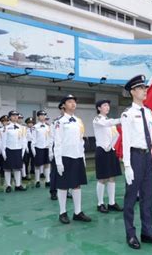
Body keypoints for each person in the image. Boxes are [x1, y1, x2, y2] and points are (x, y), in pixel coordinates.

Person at [121, 74, 152, 249]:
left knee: (148, 196)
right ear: (133, 91)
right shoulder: (128, 114)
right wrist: (127, 165)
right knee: (131, 198)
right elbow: (126, 141)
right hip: (134, 157)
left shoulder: (148, 112)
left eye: (145, 87)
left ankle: (147, 231)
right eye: (141, 88)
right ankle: (130, 233)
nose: (145, 90)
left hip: (147, 157)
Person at [54, 94, 91, 224]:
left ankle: (77, 212)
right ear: (63, 105)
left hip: (77, 156)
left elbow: (80, 140)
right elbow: (57, 142)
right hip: (65, 156)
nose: (73, 104)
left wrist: (83, 158)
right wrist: (58, 162)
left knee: (77, 185)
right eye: (69, 102)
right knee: (63, 186)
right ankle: (62, 212)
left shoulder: (78, 120)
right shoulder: (59, 121)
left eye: (74, 101)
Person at [92, 99, 123, 213]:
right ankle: (100, 203)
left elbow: (116, 134)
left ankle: (111, 202)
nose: (107, 107)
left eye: (108, 105)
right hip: (102, 150)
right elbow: (107, 124)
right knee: (102, 178)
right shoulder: (97, 119)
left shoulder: (110, 121)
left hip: (111, 150)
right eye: (104, 105)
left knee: (112, 177)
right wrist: (121, 119)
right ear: (99, 108)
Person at [0, 110, 27, 193]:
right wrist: (3, 151)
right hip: (9, 149)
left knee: (18, 168)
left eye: (16, 115)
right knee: (7, 169)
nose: (15, 117)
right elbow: (3, 140)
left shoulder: (22, 128)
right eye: (13, 115)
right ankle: (8, 185)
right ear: (10, 117)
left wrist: (23, 150)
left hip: (18, 149)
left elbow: (24, 139)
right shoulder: (6, 128)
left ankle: (18, 185)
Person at [32, 110, 53, 188]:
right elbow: (33, 139)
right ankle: (37, 180)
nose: (43, 116)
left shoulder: (48, 127)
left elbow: (50, 138)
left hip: (46, 147)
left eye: (44, 115)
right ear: (38, 117)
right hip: (38, 147)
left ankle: (47, 180)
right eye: (41, 115)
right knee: (38, 165)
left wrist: (50, 148)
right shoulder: (35, 127)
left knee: (47, 164)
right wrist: (33, 149)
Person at [24, 117, 36, 181]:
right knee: (27, 159)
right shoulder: (25, 129)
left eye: (32, 123)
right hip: (27, 144)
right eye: (29, 123)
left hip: (33, 144)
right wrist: (25, 147)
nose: (30, 124)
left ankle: (32, 169)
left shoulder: (35, 129)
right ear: (27, 124)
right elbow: (24, 138)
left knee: (33, 158)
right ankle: (26, 171)